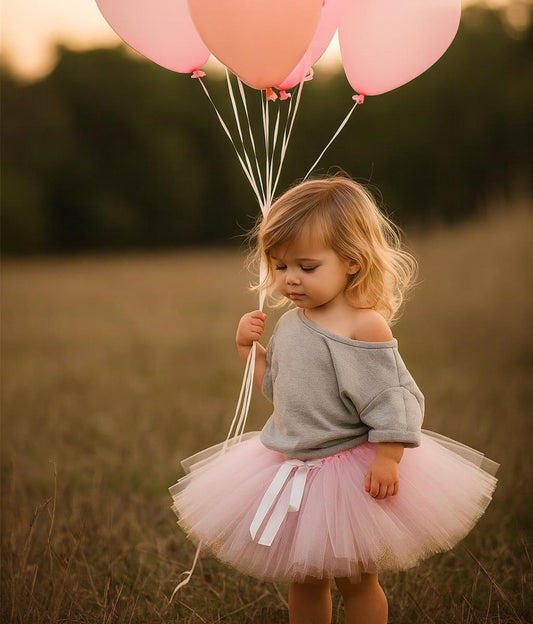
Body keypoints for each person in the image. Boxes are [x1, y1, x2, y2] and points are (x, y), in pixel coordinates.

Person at [170, 176, 498, 624]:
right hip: (293, 466)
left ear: (351, 262)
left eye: (306, 267)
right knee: (304, 578)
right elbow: (284, 391)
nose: (290, 280)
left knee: (358, 580)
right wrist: (251, 352)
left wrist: (389, 456)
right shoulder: (290, 324)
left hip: (349, 471)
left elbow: (393, 398)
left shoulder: (363, 326)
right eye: (281, 266)